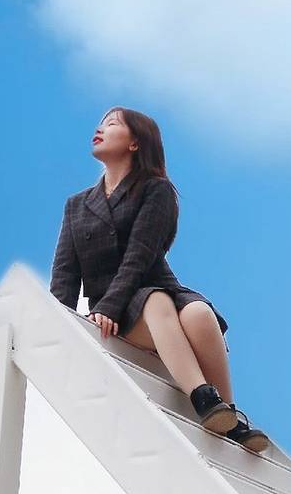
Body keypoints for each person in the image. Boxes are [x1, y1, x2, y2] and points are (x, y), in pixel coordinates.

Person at [50, 106, 269, 452]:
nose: (100, 129)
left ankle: (229, 416)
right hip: (118, 313)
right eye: (100, 123)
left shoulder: (156, 190)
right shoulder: (76, 206)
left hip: (155, 291)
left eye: (112, 124)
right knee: (155, 301)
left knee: (199, 313)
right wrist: (60, 325)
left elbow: (139, 256)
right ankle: (202, 396)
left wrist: (110, 306)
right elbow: (65, 275)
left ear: (135, 143)